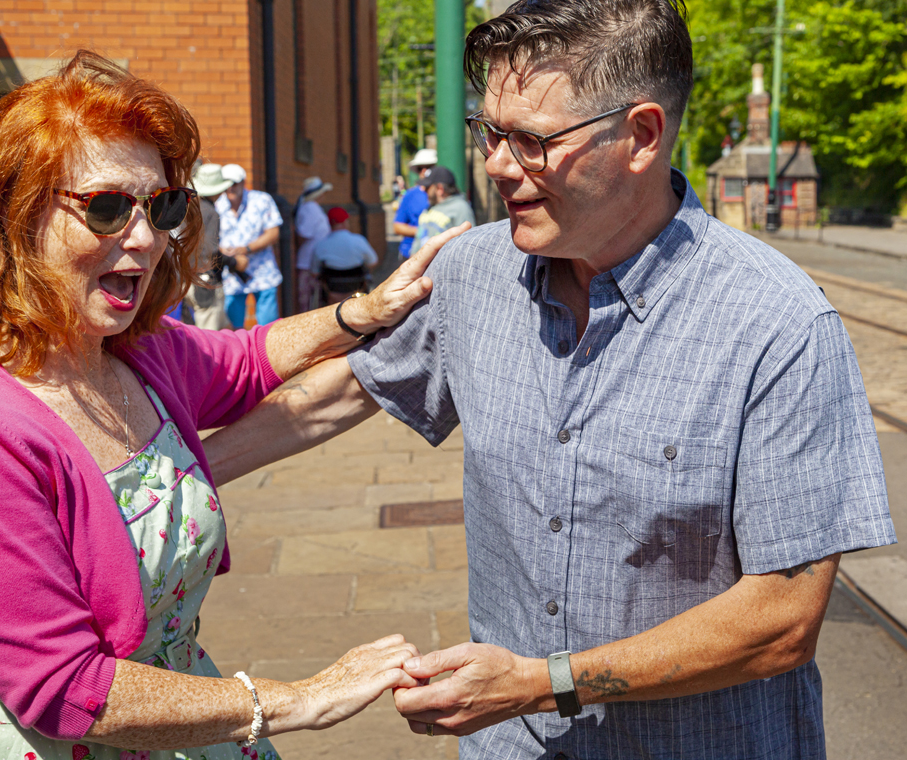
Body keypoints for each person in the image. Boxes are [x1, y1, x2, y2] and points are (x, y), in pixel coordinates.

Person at [205, 2, 896, 759]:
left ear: (640, 135)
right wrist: (168, 483)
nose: (499, 164)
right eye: (490, 132)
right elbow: (345, 391)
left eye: (532, 140)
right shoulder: (473, 273)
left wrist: (542, 683)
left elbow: (783, 620)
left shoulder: (779, 325)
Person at [0, 50, 467, 760]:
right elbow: (65, 688)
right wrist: (300, 697)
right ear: (15, 217)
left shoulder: (133, 352)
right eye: (107, 207)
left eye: (163, 206)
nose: (147, 238)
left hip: (182, 722)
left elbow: (247, 360)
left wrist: (364, 310)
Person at [215, 164, 282, 328]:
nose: (230, 187)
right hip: (231, 273)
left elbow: (273, 233)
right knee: (234, 328)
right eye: (226, 183)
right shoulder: (216, 204)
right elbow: (207, 238)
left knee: (269, 326)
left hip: (262, 270)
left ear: (243, 182)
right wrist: (226, 253)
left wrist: (247, 249)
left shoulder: (261, 200)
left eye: (234, 183)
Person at [184, 162, 245, 330]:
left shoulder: (190, 209)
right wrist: (235, 263)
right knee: (208, 338)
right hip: (206, 281)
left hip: (187, 279)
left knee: (225, 327)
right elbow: (210, 252)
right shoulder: (211, 212)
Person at [312, 207, 379, 304]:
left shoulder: (320, 245)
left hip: (331, 296)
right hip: (357, 293)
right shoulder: (359, 240)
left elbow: (314, 273)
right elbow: (373, 262)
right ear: (344, 222)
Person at [412, 165, 476, 251]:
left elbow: (468, 246)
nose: (423, 189)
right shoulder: (429, 207)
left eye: (427, 187)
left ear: (439, 189)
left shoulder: (460, 208)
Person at [294, 176, 333, 312]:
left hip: (314, 261)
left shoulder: (312, 207)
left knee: (314, 299)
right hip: (309, 262)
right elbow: (304, 234)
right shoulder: (309, 208)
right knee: (308, 300)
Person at [393, 148, 437, 260]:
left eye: (429, 167)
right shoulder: (410, 195)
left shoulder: (443, 193)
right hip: (411, 253)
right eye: (420, 168)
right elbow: (397, 226)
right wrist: (422, 231)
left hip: (437, 255)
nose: (424, 171)